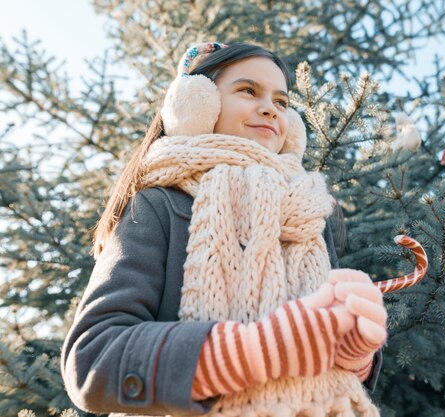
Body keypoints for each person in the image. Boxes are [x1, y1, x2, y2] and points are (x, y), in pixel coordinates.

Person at [61, 42, 387, 416]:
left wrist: (354, 352)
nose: (270, 108)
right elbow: (93, 357)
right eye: (248, 91)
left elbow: (327, 360)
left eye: (281, 102)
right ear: (199, 106)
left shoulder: (308, 214)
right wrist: (254, 350)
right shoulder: (159, 204)